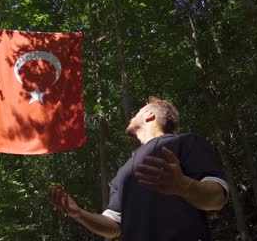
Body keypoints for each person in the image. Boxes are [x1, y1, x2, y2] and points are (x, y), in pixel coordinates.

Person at [48, 97, 228, 240]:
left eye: (138, 111)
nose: (132, 116)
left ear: (150, 115)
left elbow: (217, 198)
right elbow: (113, 227)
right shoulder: (123, 172)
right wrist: (78, 213)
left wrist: (183, 186)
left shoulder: (186, 142)